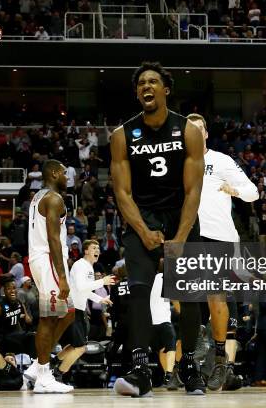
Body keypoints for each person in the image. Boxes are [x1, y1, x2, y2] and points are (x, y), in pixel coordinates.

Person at [111, 62, 206, 397]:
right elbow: (121, 192)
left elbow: (194, 190)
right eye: (141, 84)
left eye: (153, 82)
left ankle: (190, 364)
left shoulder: (189, 131)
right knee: (138, 290)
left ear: (166, 89)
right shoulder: (122, 135)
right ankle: (140, 370)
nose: (146, 87)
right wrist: (142, 230)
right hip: (143, 217)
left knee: (190, 295)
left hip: (180, 216)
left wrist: (179, 239)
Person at [187, 113, 257, 392]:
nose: (194, 133)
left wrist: (235, 190)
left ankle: (219, 357)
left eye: (199, 129)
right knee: (183, 300)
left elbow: (252, 192)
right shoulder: (176, 162)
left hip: (218, 237)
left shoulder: (222, 160)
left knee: (215, 295)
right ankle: (202, 342)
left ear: (205, 134)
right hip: (186, 236)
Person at [23, 159, 76, 393]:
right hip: (48, 260)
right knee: (49, 317)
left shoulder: (38, 196)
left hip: (40, 259)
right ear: (54, 173)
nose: (68, 177)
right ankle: (44, 377)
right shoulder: (54, 199)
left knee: (69, 313)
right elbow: (54, 238)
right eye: (64, 173)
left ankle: (37, 364)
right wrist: (62, 276)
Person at [54, 239, 115, 382]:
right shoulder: (82, 265)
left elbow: (84, 290)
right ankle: (57, 375)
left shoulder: (87, 267)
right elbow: (82, 287)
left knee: (75, 346)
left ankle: (51, 363)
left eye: (98, 248)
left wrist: (100, 299)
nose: (97, 251)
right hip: (73, 309)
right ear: (86, 250)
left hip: (78, 310)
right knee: (80, 348)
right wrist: (102, 282)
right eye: (94, 248)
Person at [0, 278, 35, 358]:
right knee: (32, 337)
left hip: (14, 338)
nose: (12, 291)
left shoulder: (18, 302)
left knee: (35, 336)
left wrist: (22, 334)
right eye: (8, 289)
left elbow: (24, 321)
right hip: (2, 340)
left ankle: (34, 361)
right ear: (4, 291)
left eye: (14, 288)